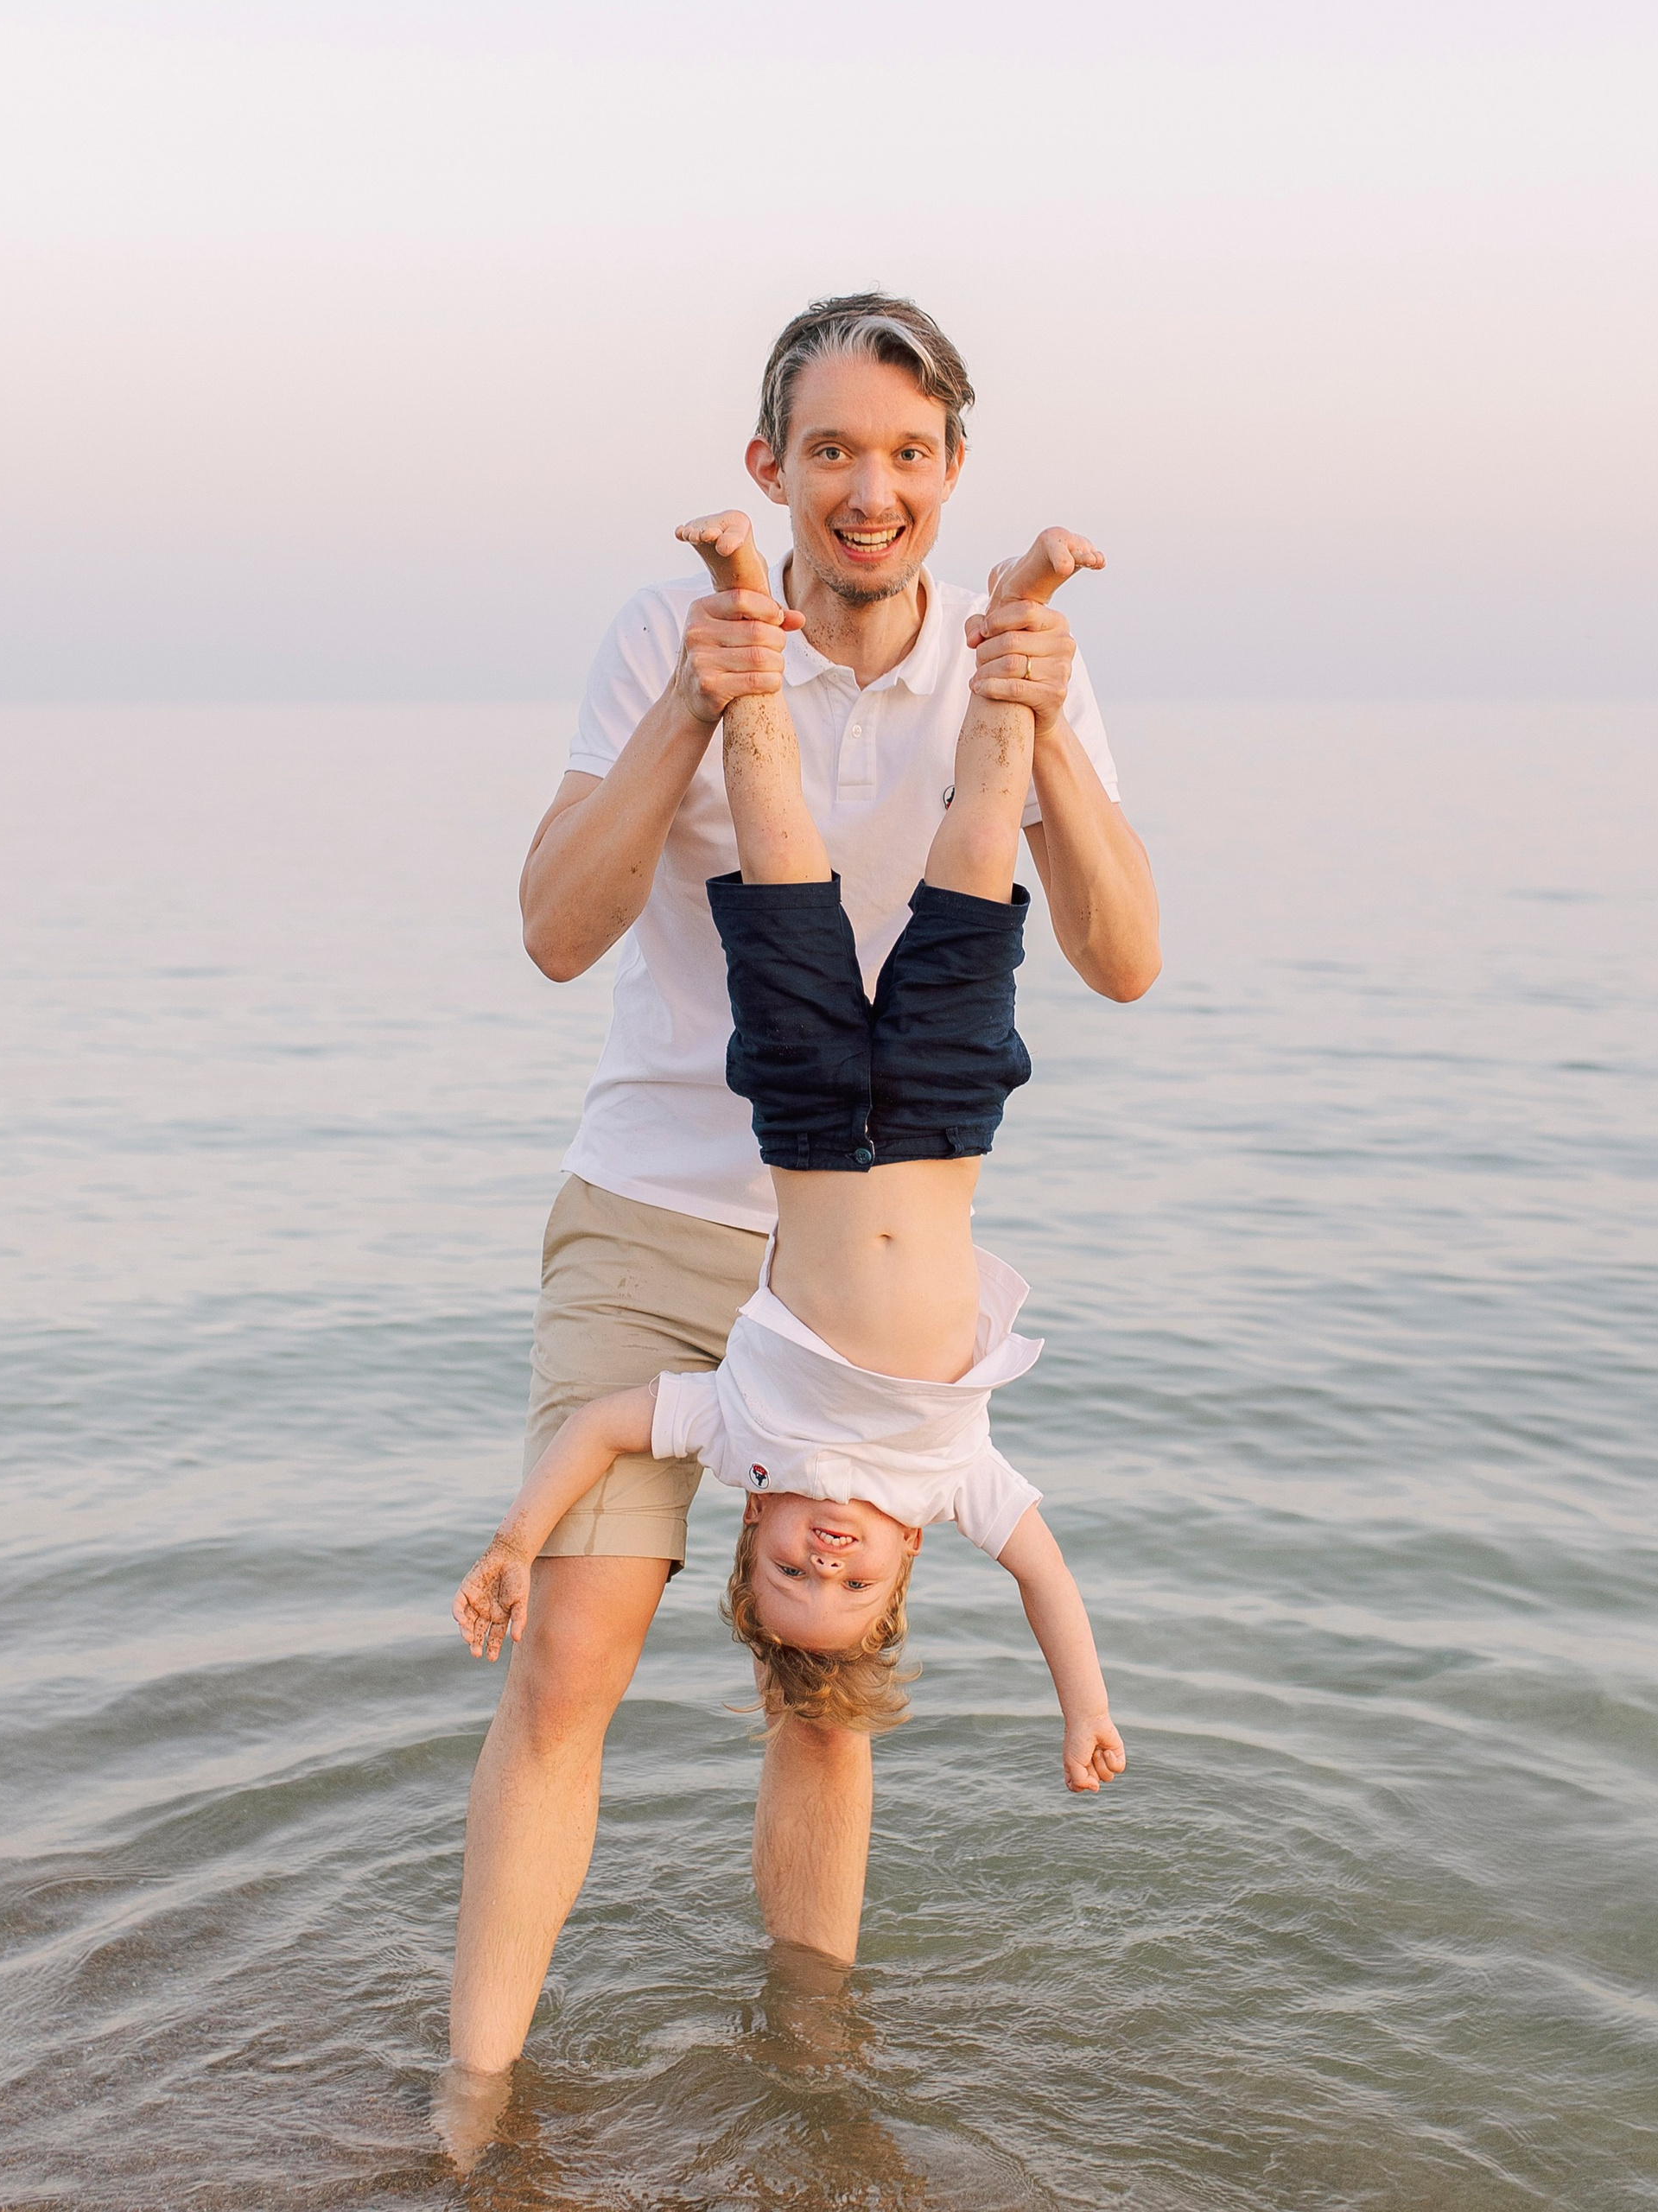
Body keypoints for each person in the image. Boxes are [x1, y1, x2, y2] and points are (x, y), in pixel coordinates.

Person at [448, 293, 1160, 2086]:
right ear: (770, 468)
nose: (867, 488)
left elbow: (1123, 959)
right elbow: (551, 930)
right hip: (662, 1204)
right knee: (572, 1659)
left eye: (903, 453)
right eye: (830, 449)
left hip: (855, 1279)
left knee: (819, 1696)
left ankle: (809, 2071)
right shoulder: (663, 631)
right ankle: (472, 2101)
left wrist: (1047, 728)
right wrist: (699, 703)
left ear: (949, 472)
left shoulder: (1008, 657)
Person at [454, 509, 1126, 1808]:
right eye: (851, 1581)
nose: (827, 1557)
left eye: (789, 1576)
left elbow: (603, 1427)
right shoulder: (948, 1488)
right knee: (979, 860)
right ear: (905, 1565)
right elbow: (1047, 1575)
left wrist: (514, 1543)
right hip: (941, 1121)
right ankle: (1019, 614)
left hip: (808, 1123)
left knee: (779, 874)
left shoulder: (744, 1440)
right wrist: (1084, 1708)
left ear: (748, 1541)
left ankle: (744, 603)